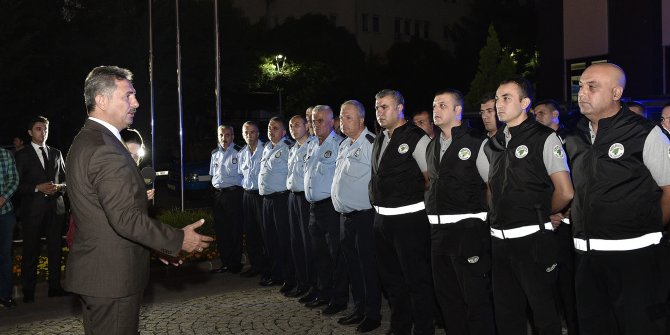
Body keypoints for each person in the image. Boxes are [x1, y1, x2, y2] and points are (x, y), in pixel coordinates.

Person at [65, 65, 213, 334]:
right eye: (128, 95)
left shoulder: (88, 140)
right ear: (102, 100)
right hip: (113, 280)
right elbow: (124, 218)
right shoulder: (104, 149)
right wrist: (178, 239)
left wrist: (156, 247)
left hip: (102, 275)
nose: (136, 102)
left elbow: (106, 215)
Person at [562, 63, 670, 334]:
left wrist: (648, 226)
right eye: (581, 86)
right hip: (586, 257)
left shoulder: (644, 133)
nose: (582, 92)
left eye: (591, 86)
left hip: (634, 259)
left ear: (616, 92)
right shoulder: (575, 135)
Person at [482, 77, 573, 335]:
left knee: (543, 313)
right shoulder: (494, 142)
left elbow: (565, 192)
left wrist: (540, 213)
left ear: (525, 103)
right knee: (507, 313)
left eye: (506, 98)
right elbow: (491, 186)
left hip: (532, 240)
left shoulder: (544, 137)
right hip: (499, 240)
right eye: (497, 98)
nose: (499, 104)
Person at [426, 89, 494, 335]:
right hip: (438, 232)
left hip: (468, 231)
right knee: (447, 297)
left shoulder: (476, 142)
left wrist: (486, 221)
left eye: (442, 105)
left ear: (457, 110)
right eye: (434, 105)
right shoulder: (432, 144)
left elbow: (492, 186)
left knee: (475, 298)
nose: (436, 109)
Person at [369, 89, 434, 335]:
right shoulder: (380, 138)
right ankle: (400, 326)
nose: (379, 112)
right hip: (382, 220)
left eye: (385, 107)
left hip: (409, 220)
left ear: (399, 108)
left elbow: (430, 179)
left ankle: (424, 329)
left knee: (416, 280)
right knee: (392, 280)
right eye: (377, 107)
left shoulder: (417, 137)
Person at [332, 100, 381, 333]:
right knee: (353, 266)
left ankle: (373, 314)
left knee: (367, 267)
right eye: (341, 117)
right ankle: (359, 308)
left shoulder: (372, 143)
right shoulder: (344, 145)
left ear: (362, 120)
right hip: (345, 217)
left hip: (364, 217)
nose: (343, 121)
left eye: (348, 117)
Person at [532, 99, 579, 334]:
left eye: (541, 113)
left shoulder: (570, 139)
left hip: (567, 222)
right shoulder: (533, 141)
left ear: (555, 115)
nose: (536, 116)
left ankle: (572, 325)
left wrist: (565, 209)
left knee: (568, 281)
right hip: (544, 220)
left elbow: (575, 180)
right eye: (534, 113)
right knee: (545, 281)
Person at [15, 116, 67, 303]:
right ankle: (28, 290)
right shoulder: (21, 155)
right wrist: (38, 188)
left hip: (56, 208)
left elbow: (66, 181)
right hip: (32, 211)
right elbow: (17, 185)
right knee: (31, 251)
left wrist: (59, 187)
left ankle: (55, 287)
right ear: (30, 132)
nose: (43, 132)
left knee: (55, 249)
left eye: (45, 129)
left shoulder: (56, 153)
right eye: (38, 129)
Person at [303, 105, 348, 315]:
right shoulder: (311, 144)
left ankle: (339, 299)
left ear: (331, 122)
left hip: (331, 207)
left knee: (335, 255)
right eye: (313, 121)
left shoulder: (339, 144)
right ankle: (324, 293)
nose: (315, 124)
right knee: (319, 254)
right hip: (313, 208)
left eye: (320, 120)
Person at [258, 117, 295, 291]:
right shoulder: (266, 147)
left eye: (275, 128)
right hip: (267, 199)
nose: (271, 131)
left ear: (283, 132)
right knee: (270, 239)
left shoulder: (288, 147)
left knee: (283, 240)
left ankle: (289, 277)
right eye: (269, 128)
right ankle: (276, 274)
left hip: (281, 199)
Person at [285, 115, 316, 299]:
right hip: (292, 197)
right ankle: (302, 282)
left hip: (306, 198)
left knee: (308, 244)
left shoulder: (312, 146)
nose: (293, 128)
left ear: (306, 126)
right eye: (290, 125)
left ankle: (313, 285)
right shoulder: (293, 148)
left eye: (297, 125)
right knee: (296, 242)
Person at [208, 125, 244, 274]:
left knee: (235, 230)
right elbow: (212, 175)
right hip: (218, 195)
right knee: (221, 231)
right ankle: (226, 263)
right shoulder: (214, 153)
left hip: (233, 194)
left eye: (227, 135)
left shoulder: (239, 152)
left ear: (233, 136)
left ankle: (235, 264)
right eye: (221, 135)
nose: (224, 138)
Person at [237, 121, 268, 279]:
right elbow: (241, 175)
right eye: (246, 132)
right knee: (251, 233)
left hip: (262, 196)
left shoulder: (266, 150)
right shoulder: (241, 153)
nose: (249, 135)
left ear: (258, 133)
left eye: (252, 132)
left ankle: (268, 268)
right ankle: (256, 265)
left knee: (265, 232)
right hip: (247, 195)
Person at [0, 147, 18, 309]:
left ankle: (5, 295)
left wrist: (3, 198)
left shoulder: (4, 154)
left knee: (5, 256)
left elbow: (13, 179)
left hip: (4, 214)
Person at [120, 128, 155, 199]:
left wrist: (144, 199)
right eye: (128, 153)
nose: (133, 159)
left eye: (136, 154)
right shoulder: (109, 174)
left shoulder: (137, 175)